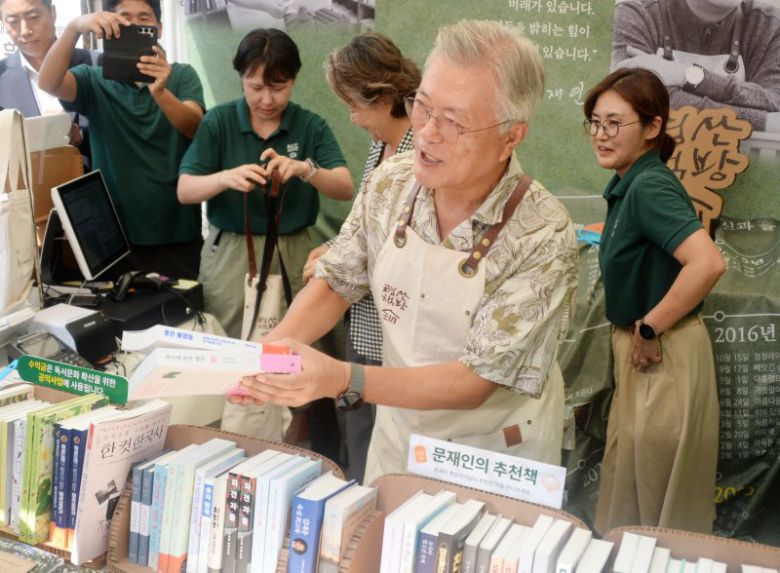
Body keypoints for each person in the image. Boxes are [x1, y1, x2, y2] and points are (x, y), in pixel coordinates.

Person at [234, 20, 578, 484]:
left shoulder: (542, 232)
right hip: (402, 430)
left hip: (493, 449)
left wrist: (342, 378)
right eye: (423, 107)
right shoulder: (391, 181)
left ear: (511, 137)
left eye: (453, 121)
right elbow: (337, 280)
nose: (429, 133)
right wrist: (267, 359)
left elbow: (476, 381)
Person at [177, 28, 353, 443]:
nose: (268, 99)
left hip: (296, 252)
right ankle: (230, 448)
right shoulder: (219, 122)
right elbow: (186, 190)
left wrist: (307, 170)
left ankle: (294, 450)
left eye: (279, 87)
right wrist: (225, 177)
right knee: (231, 349)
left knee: (297, 353)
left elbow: (345, 187)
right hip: (231, 253)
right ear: (241, 78)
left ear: (294, 80)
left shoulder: (309, 124)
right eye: (256, 87)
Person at [583, 67, 725, 533]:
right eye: (596, 122)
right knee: (631, 489)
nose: (601, 135)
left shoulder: (650, 185)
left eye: (615, 123)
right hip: (643, 352)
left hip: (662, 353)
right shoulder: (630, 184)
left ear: (653, 128)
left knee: (661, 501)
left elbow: (706, 263)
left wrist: (649, 327)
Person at [301, 32, 420, 482]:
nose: (351, 119)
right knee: (358, 440)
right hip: (363, 325)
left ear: (384, 96)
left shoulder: (421, 155)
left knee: (387, 457)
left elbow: (405, 246)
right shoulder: (381, 146)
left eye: (354, 105)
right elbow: (368, 228)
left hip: (398, 338)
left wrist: (340, 258)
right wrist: (337, 247)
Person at [38, 0, 205, 280]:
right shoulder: (94, 80)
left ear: (159, 28)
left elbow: (193, 127)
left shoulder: (182, 75)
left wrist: (160, 91)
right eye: (124, 18)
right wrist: (73, 29)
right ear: (107, 26)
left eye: (144, 17)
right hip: (115, 240)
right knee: (121, 320)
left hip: (177, 234)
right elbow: (49, 83)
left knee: (183, 316)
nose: (134, 24)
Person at [611, 0, 780, 132]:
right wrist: (760, 121)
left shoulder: (771, 26)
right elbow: (633, 100)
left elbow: (775, 100)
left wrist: (689, 75)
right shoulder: (635, 15)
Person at [0, 0, 96, 151]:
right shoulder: (1, 76)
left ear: (53, 14)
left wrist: (80, 136)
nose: (25, 30)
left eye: (33, 17)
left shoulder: (98, 64)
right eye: (13, 22)